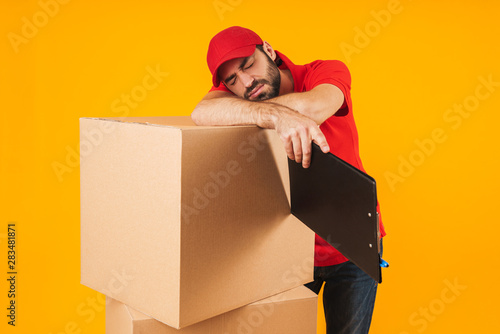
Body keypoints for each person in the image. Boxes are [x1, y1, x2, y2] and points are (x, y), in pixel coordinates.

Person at [191, 26, 386, 334]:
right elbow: (201, 112)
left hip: (352, 245)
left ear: (268, 50)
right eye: (232, 80)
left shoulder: (325, 71)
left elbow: (315, 107)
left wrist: (253, 112)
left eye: (247, 65)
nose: (246, 83)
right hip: (289, 250)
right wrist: (279, 118)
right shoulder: (244, 94)